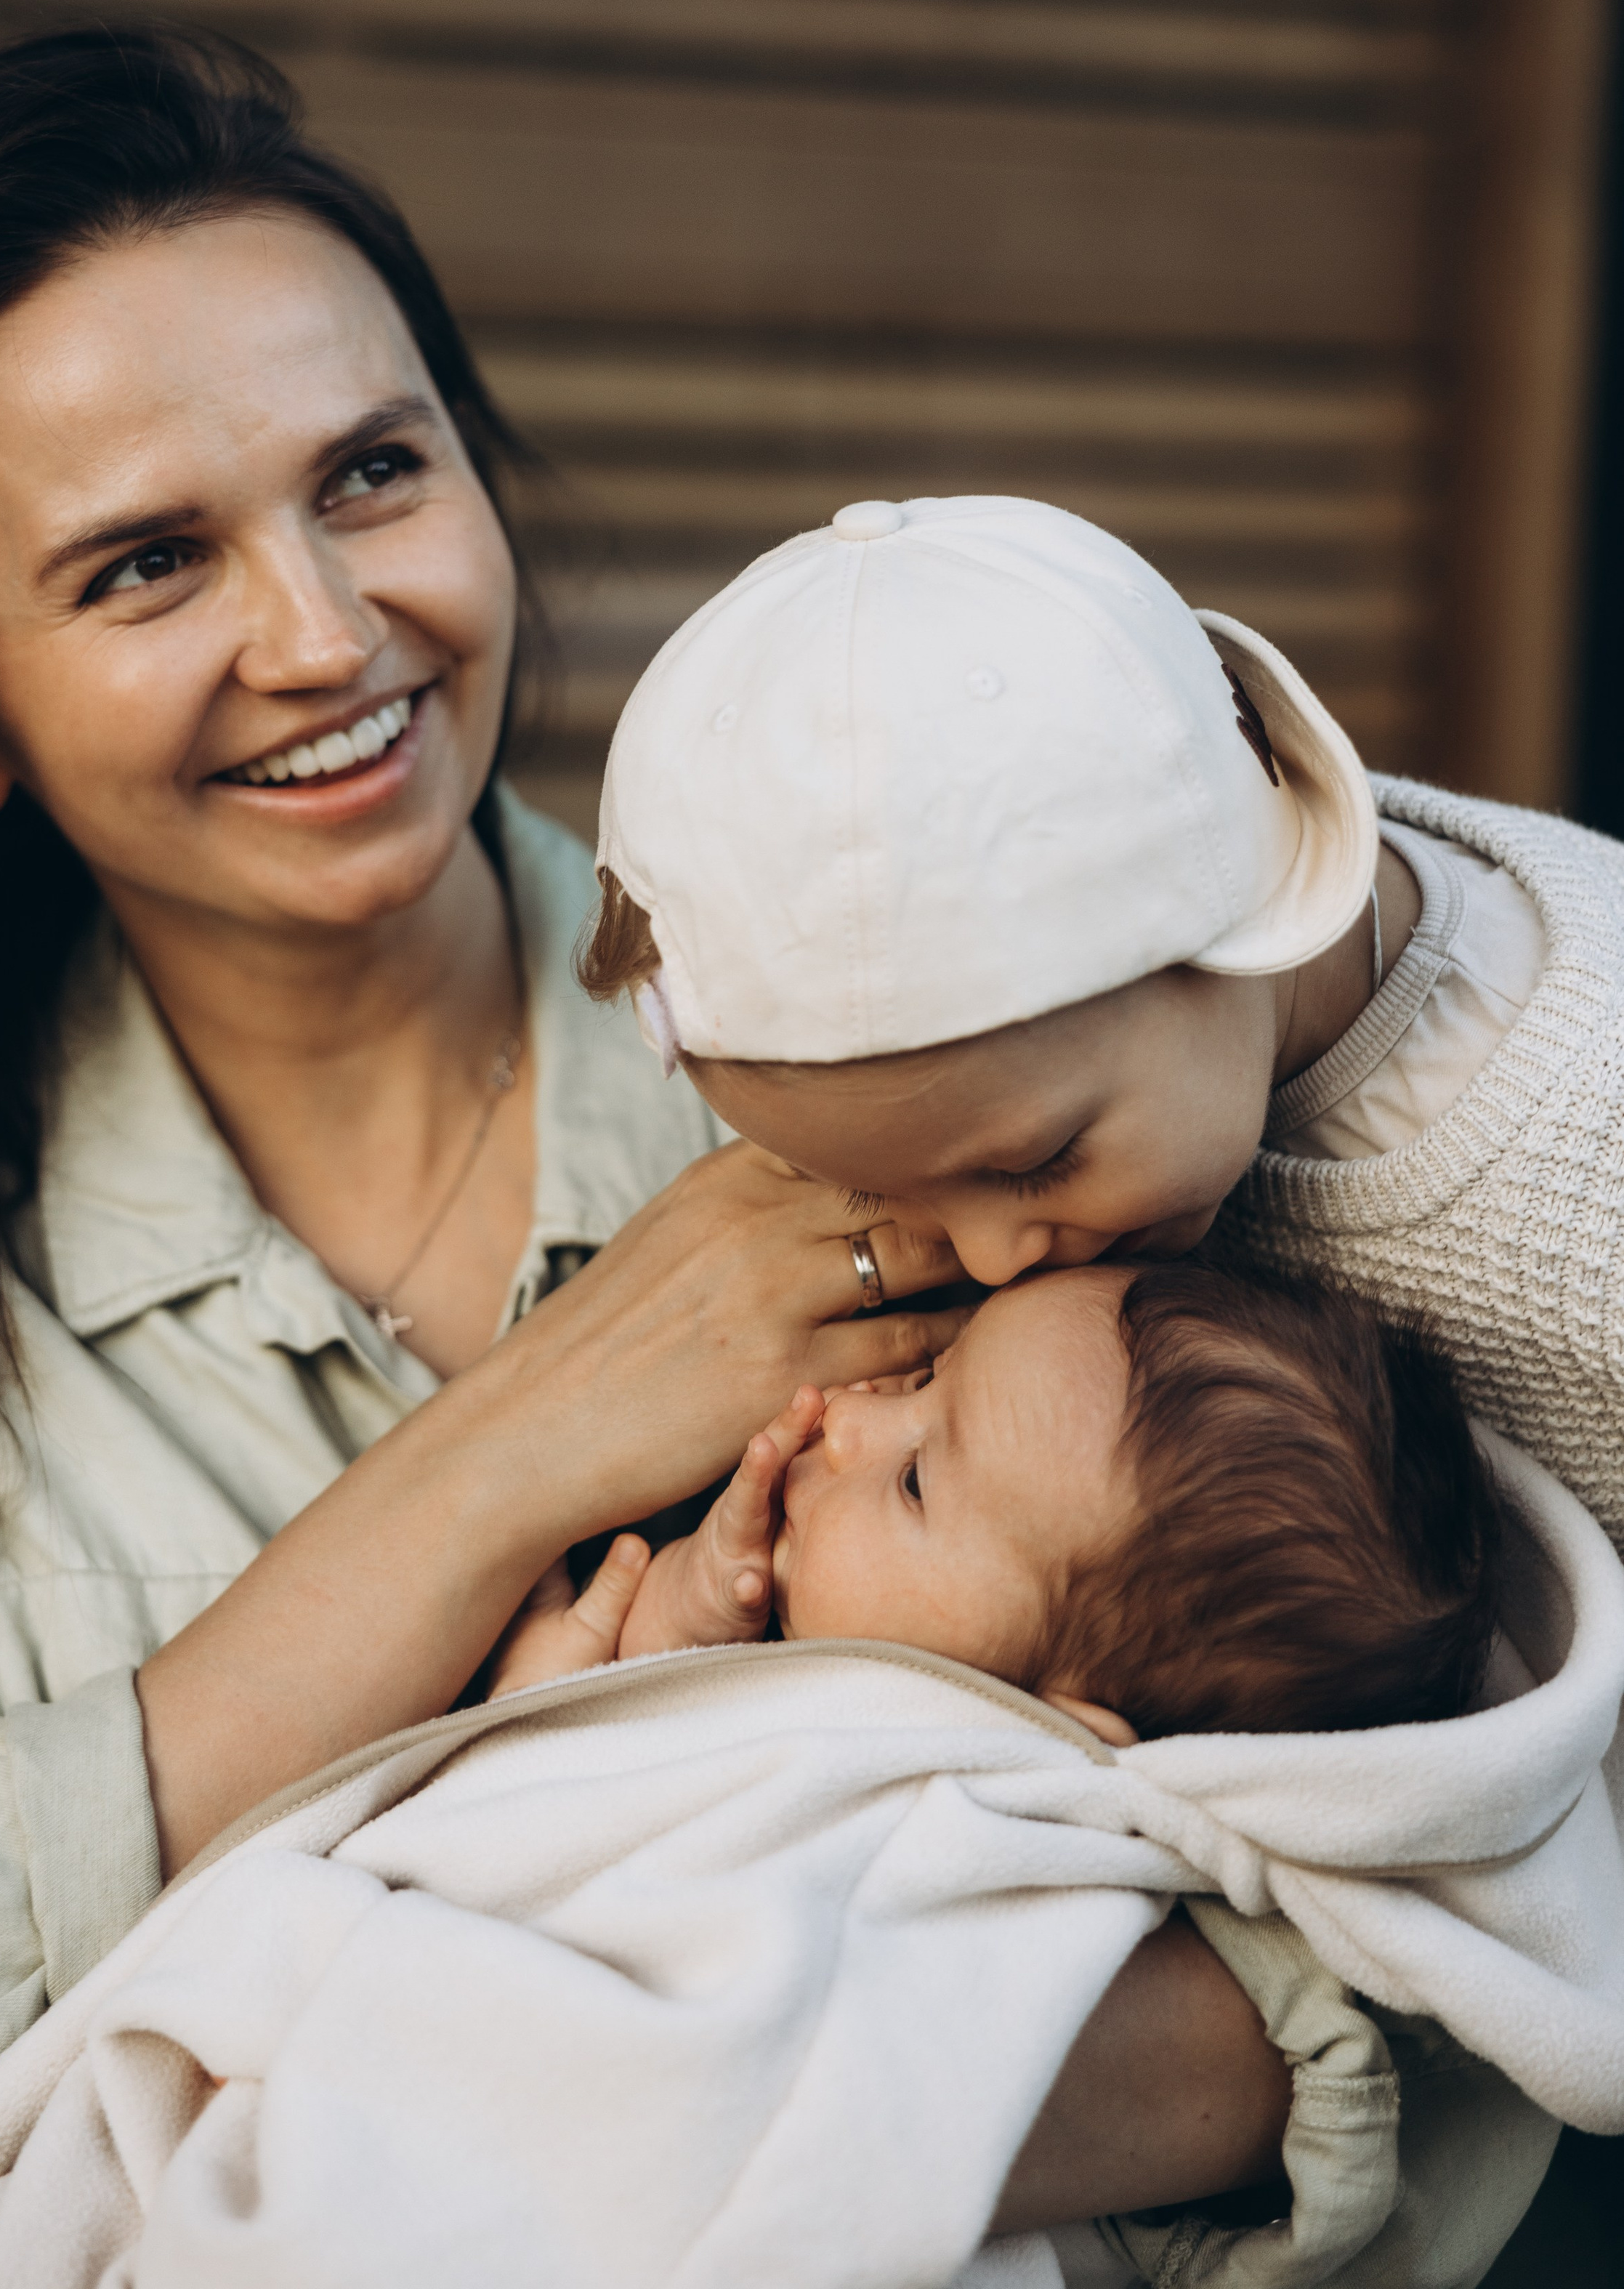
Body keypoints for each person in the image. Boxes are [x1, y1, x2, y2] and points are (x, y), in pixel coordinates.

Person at [0, 27, 969, 2264]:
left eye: (373, 476)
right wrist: (512, 1445)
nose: (326, 637)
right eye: (144, 567)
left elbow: (1342, 1922)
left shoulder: (921, 1070)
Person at [584, 489, 1621, 2283]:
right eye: (895, 1206)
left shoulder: (1580, 1158)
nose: (985, 1263)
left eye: (1033, 1161)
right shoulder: (1089, 1071)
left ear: (1238, 907)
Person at [492, 1262, 1504, 1751]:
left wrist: (525, 1726)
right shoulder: (863, 1644)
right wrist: (688, 1615)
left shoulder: (937, 1804)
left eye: (917, 1480)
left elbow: (613, 1824)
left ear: (1050, 1727)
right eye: (929, 1373)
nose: (848, 1417)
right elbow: (672, 1714)